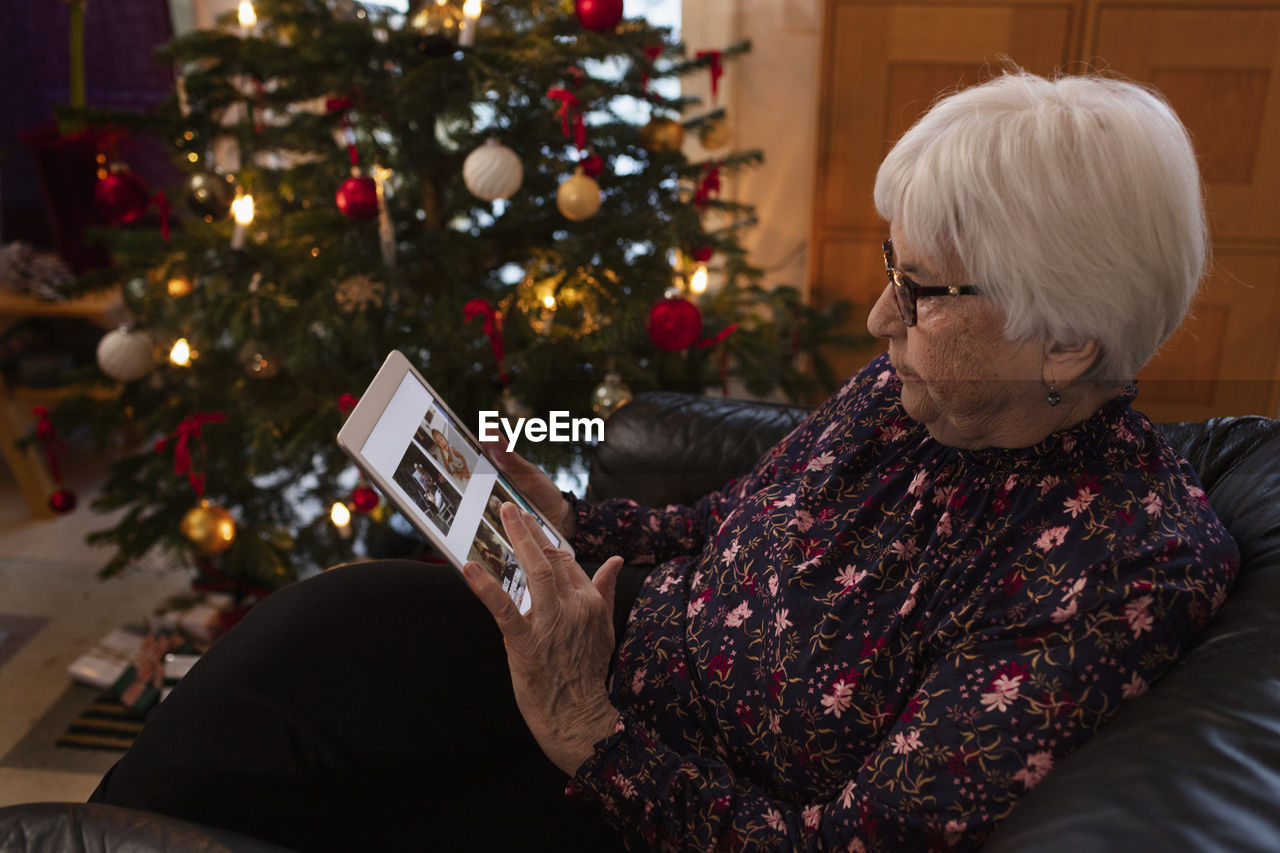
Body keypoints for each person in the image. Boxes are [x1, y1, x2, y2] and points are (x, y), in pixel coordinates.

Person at [90, 71, 1238, 851]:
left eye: (924, 290)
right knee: (297, 650)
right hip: (594, 659)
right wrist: (570, 518)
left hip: (643, 795)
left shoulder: (1118, 566)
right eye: (894, 264)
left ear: (1067, 338)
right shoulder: (914, 392)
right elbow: (717, 525)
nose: (880, 316)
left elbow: (843, 842)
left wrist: (589, 731)